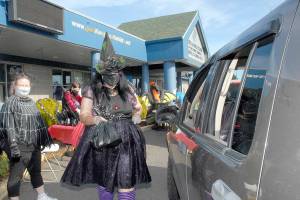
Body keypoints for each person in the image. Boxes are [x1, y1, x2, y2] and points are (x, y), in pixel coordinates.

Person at [61, 33, 151, 200]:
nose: (112, 76)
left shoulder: (128, 89)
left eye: (115, 72)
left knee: (126, 181)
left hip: (127, 139)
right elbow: (84, 116)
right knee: (105, 181)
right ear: (101, 73)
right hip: (103, 139)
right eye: (107, 73)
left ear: (119, 73)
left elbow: (138, 108)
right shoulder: (91, 90)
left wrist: (137, 116)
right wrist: (94, 119)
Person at [0, 73, 57, 200]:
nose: (24, 87)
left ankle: (42, 196)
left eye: (26, 85)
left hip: (33, 144)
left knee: (36, 172)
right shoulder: (10, 103)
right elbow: (8, 127)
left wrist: (41, 140)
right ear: (15, 86)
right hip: (18, 146)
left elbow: (38, 123)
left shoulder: (31, 102)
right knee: (16, 177)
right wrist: (13, 147)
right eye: (21, 85)